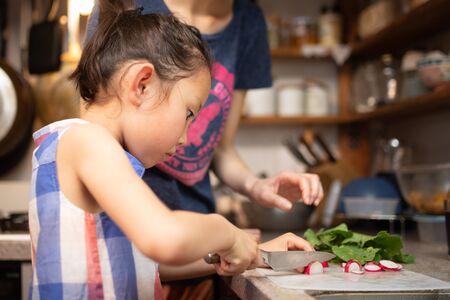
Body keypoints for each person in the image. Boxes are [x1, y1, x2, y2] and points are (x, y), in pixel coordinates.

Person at [28, 1, 314, 299]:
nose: (187, 139)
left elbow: (150, 261)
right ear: (142, 84)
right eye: (189, 113)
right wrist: (226, 231)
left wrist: (255, 253)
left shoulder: (104, 155)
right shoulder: (86, 143)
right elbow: (165, 239)